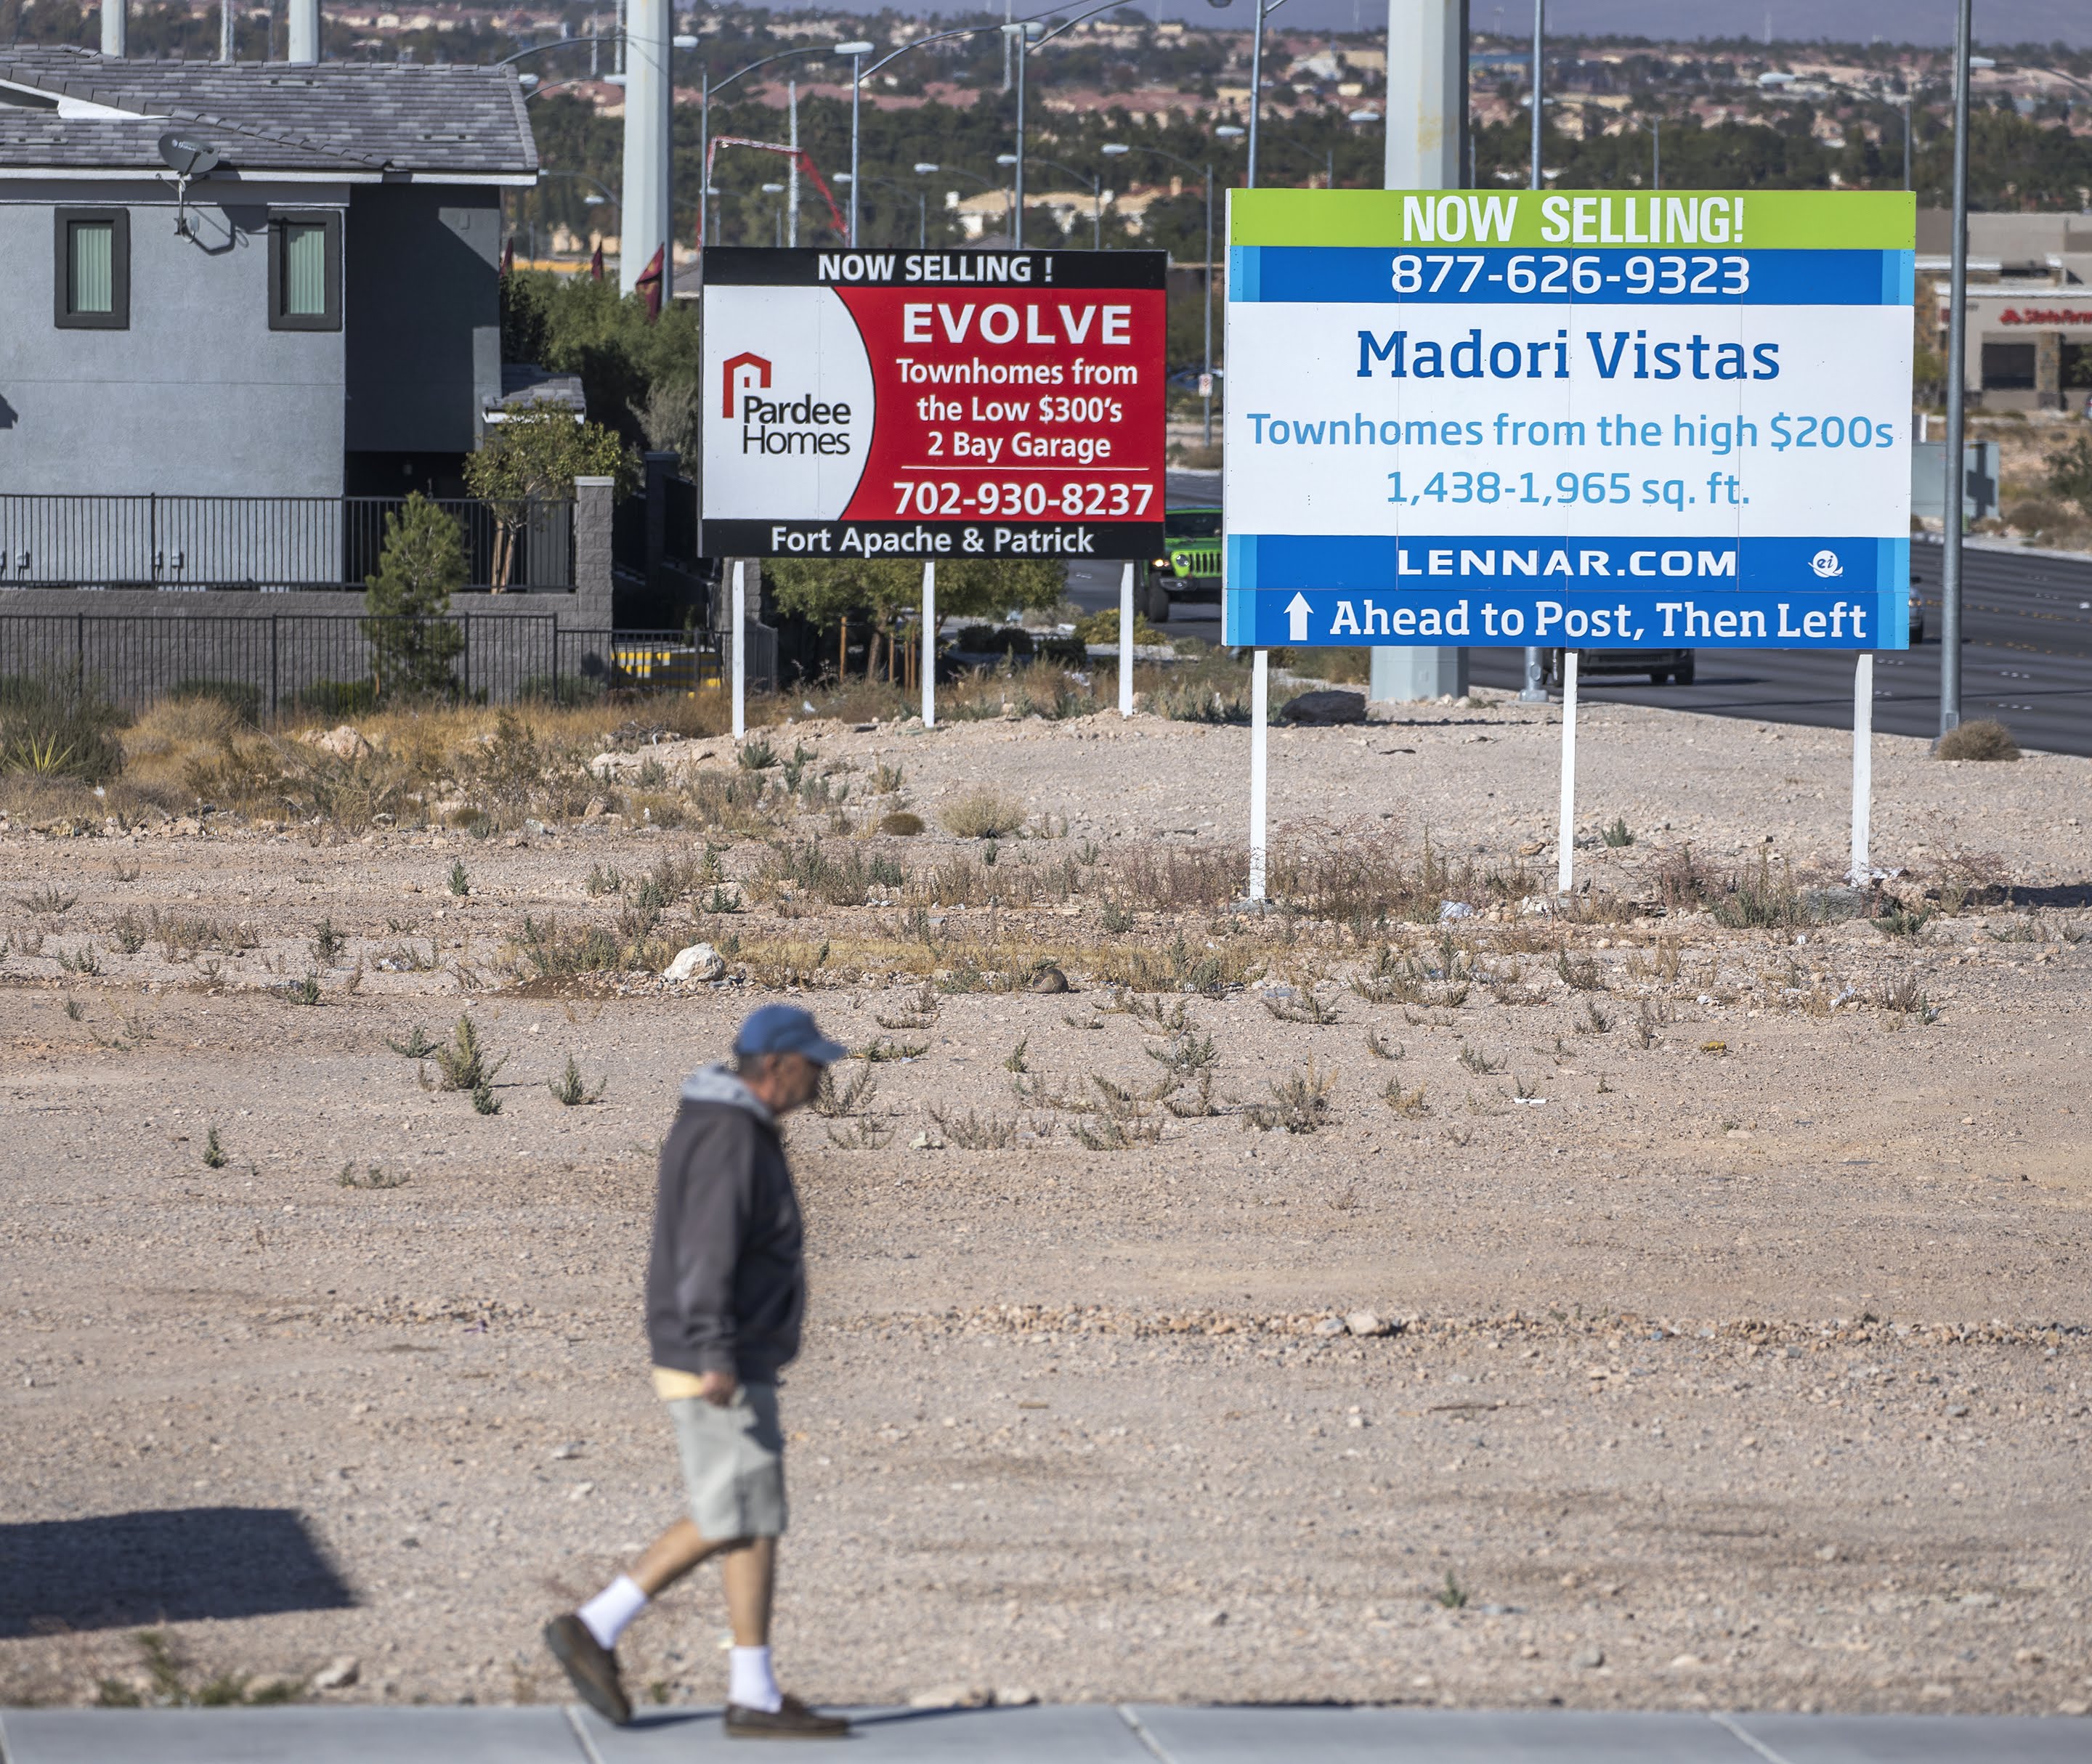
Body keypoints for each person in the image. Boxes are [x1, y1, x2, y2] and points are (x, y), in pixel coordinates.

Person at [544, 1004, 849, 1739]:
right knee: (729, 1509)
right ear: (776, 1067)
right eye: (812, 1063)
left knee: (752, 1516)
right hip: (716, 1354)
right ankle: (595, 1623)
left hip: (733, 1349)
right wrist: (715, 1349)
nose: (821, 1075)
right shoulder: (727, 1133)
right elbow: (706, 1249)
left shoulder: (733, 1123)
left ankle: (755, 1690)